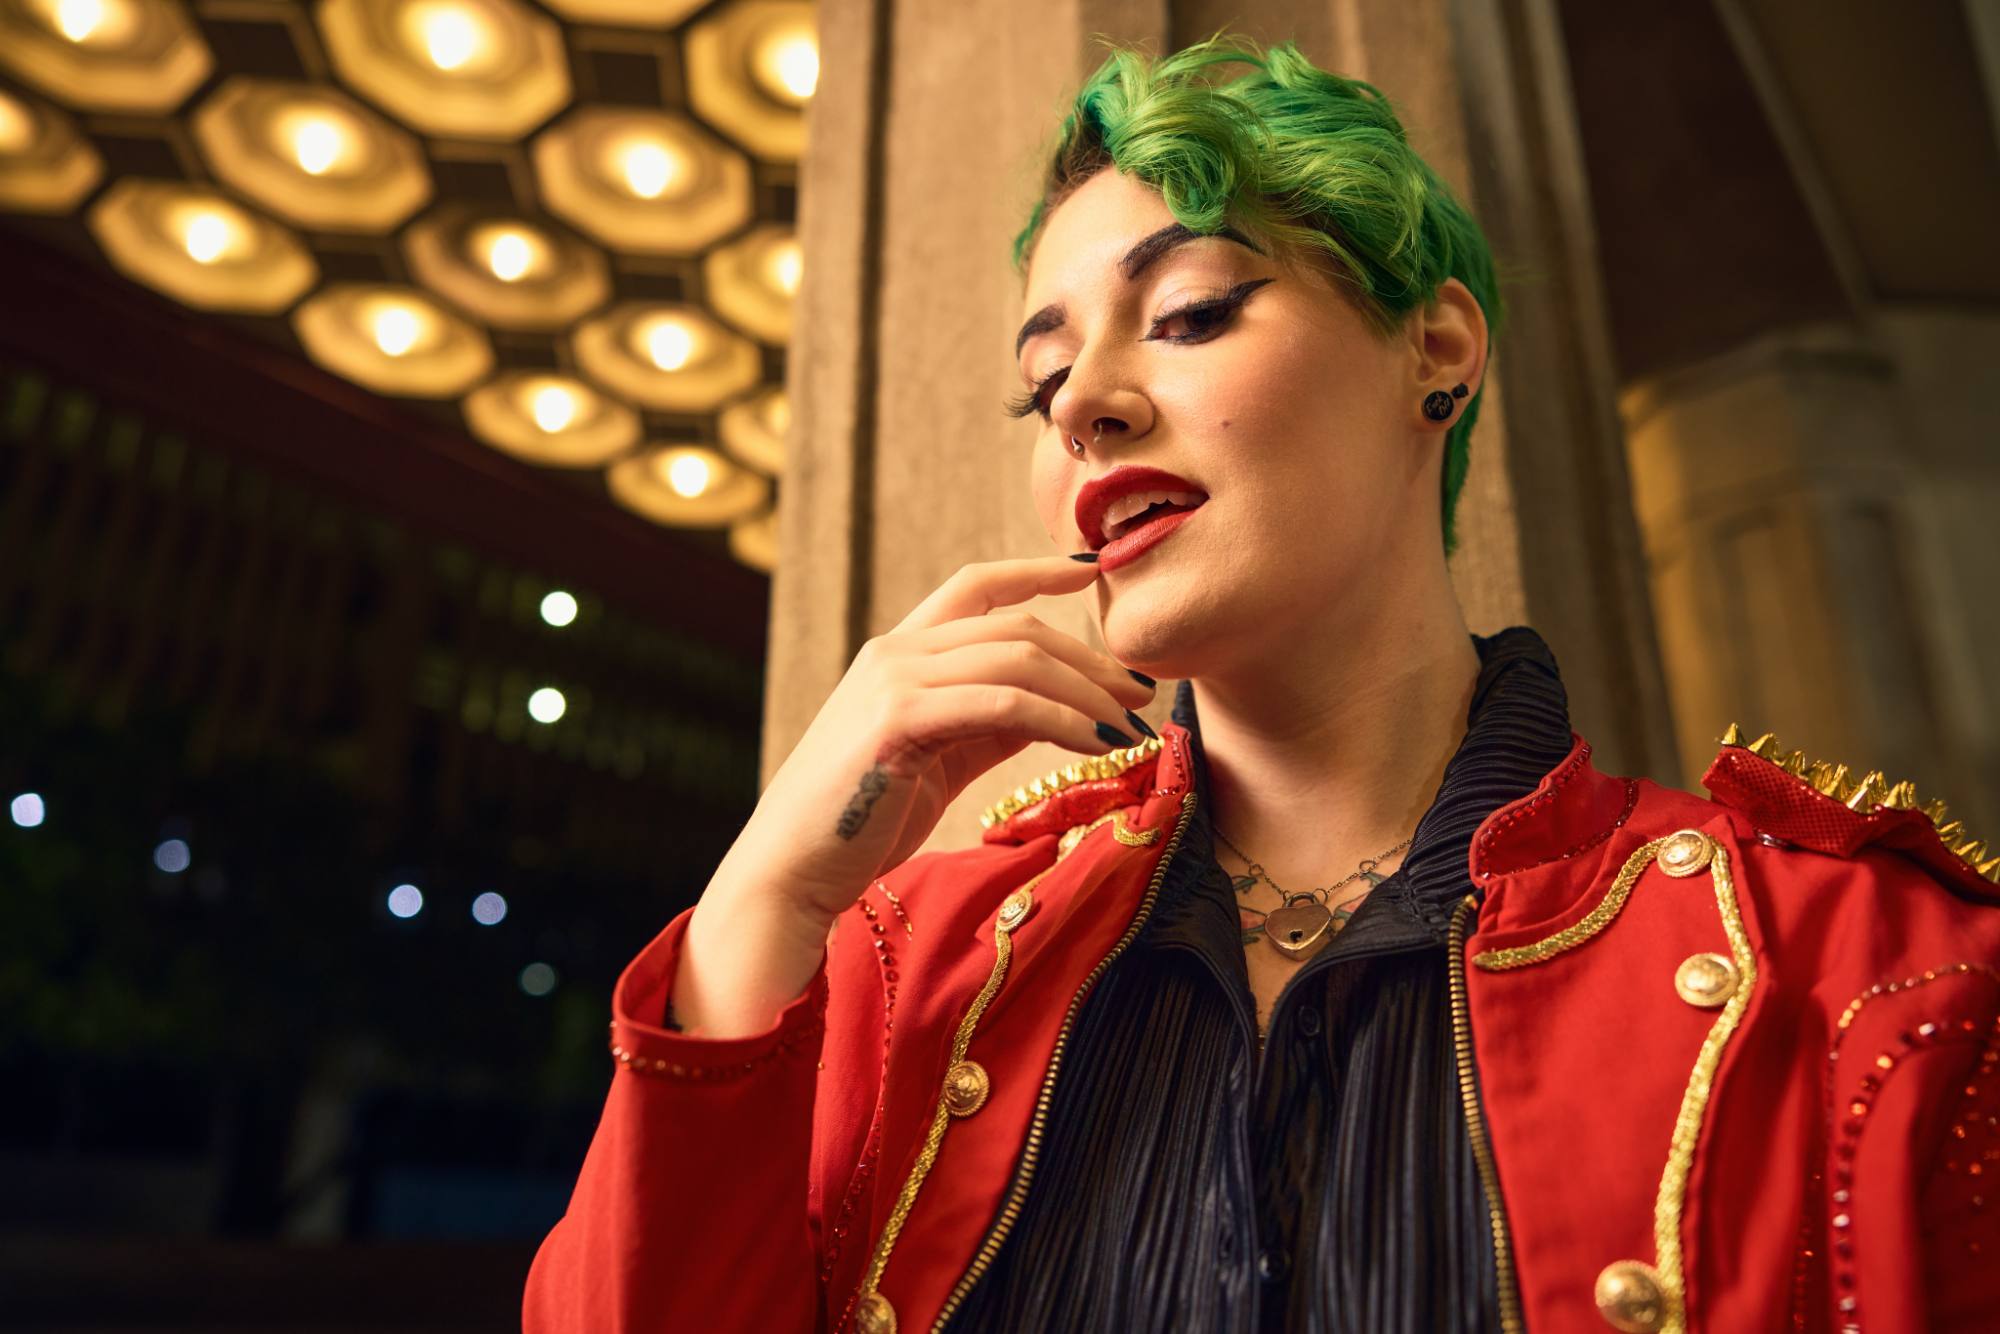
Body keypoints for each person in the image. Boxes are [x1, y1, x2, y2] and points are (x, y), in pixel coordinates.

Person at [524, 36, 2000, 1334]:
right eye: (1043, 387)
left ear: (1436, 348)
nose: (1088, 407)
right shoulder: (915, 965)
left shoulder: (1864, 967)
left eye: (1191, 313)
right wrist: (764, 902)